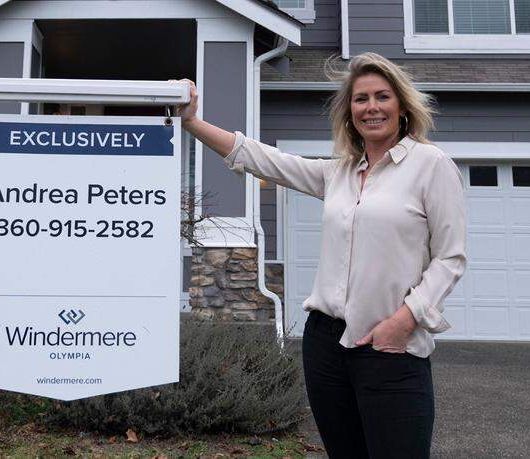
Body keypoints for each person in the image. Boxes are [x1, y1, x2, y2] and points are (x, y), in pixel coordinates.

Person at [175, 52, 466, 458]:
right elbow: (263, 159)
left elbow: (450, 259)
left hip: (390, 344)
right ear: (350, 113)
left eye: (382, 96)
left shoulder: (431, 165)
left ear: (402, 106)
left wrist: (403, 322)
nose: (371, 107)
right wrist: (191, 122)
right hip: (325, 346)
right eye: (361, 99)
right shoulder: (340, 172)